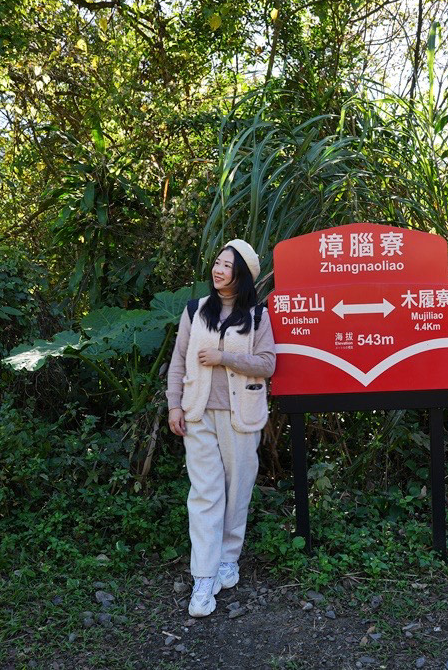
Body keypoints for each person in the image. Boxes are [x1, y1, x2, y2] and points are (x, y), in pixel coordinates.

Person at [165, 239, 276, 617]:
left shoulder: (258, 317)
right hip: (197, 415)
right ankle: (204, 577)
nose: (218, 270)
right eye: (216, 263)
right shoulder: (195, 311)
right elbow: (179, 361)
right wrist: (174, 406)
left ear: (241, 275)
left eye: (227, 266)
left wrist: (223, 357)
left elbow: (267, 364)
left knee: (238, 487)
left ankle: (229, 557)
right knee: (205, 494)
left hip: (240, 417)